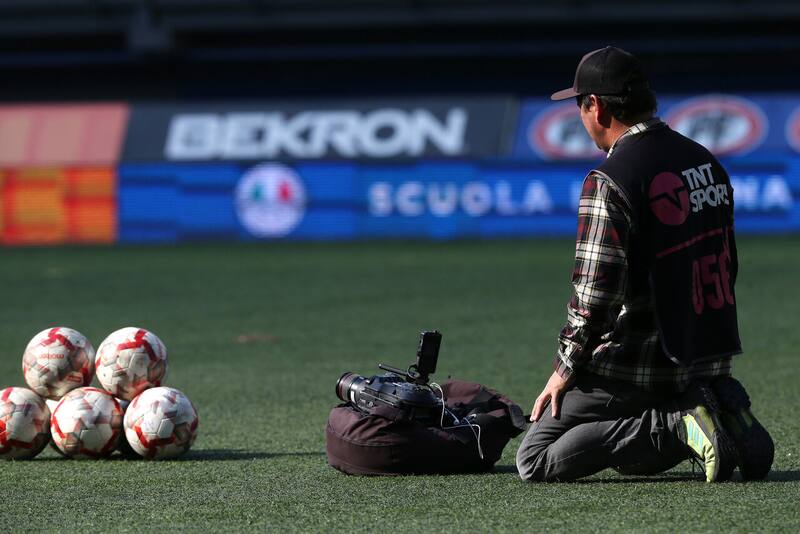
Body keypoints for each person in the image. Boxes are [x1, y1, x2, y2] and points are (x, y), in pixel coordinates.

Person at [515, 46, 774, 482]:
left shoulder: (611, 179)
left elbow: (594, 299)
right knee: (630, 451)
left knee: (535, 457)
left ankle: (676, 425)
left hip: (639, 367)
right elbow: (728, 266)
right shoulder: (705, 162)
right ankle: (715, 405)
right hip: (703, 354)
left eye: (580, 105)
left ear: (595, 106)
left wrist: (563, 371)